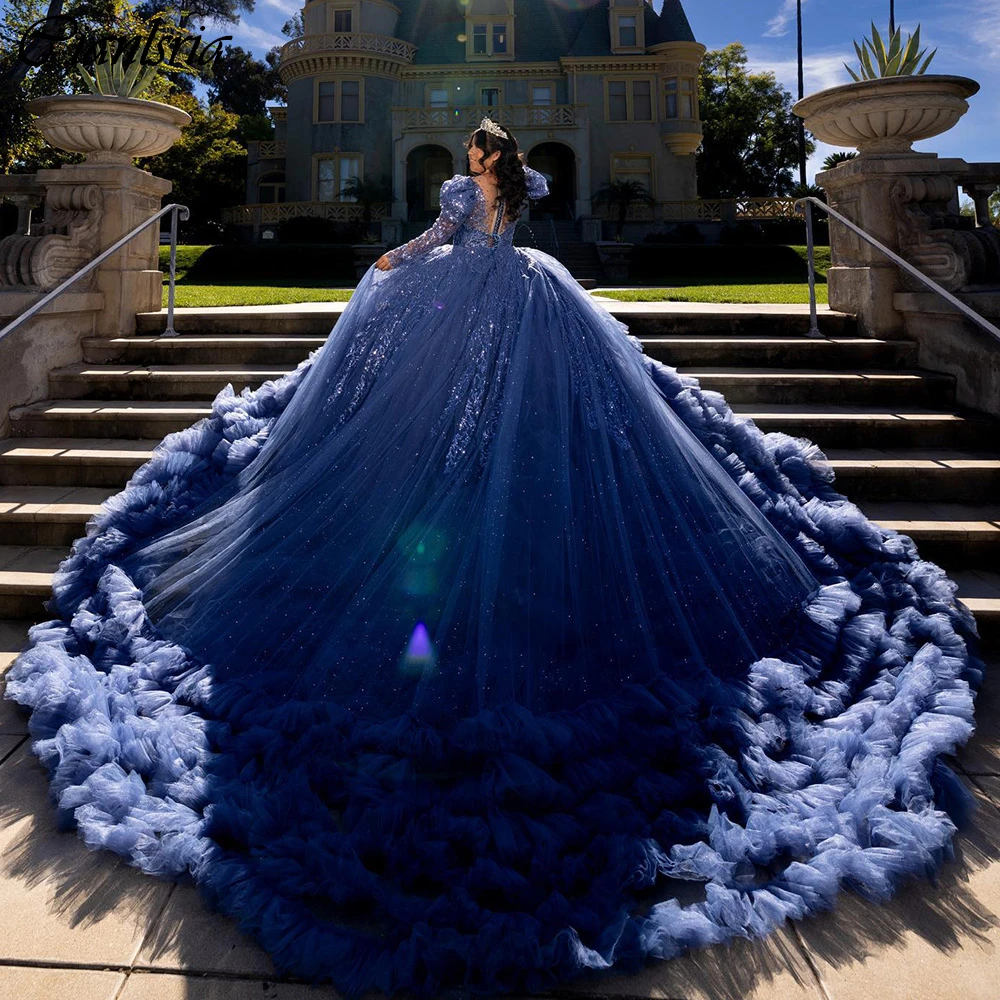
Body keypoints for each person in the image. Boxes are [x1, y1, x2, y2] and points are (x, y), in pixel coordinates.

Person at [6, 119, 981, 996]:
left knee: (468, 429)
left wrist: (397, 257)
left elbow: (443, 244)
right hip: (517, 296)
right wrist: (421, 254)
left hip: (477, 298)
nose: (471, 164)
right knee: (484, 430)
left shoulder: (465, 198)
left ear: (480, 157)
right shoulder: (512, 197)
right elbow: (492, 242)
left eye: (475, 154)